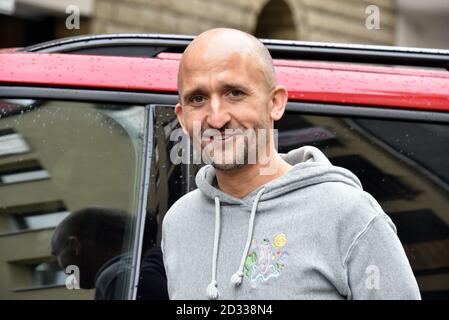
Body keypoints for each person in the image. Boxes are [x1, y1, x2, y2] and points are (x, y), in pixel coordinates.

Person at [161, 28, 421, 300]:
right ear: (182, 117)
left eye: (234, 93)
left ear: (275, 103)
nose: (216, 118)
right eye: (198, 99)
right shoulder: (178, 223)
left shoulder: (348, 215)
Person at [51, 206, 168, 300]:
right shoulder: (156, 260)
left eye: (57, 254)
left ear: (74, 245)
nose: (60, 265)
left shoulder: (115, 277)